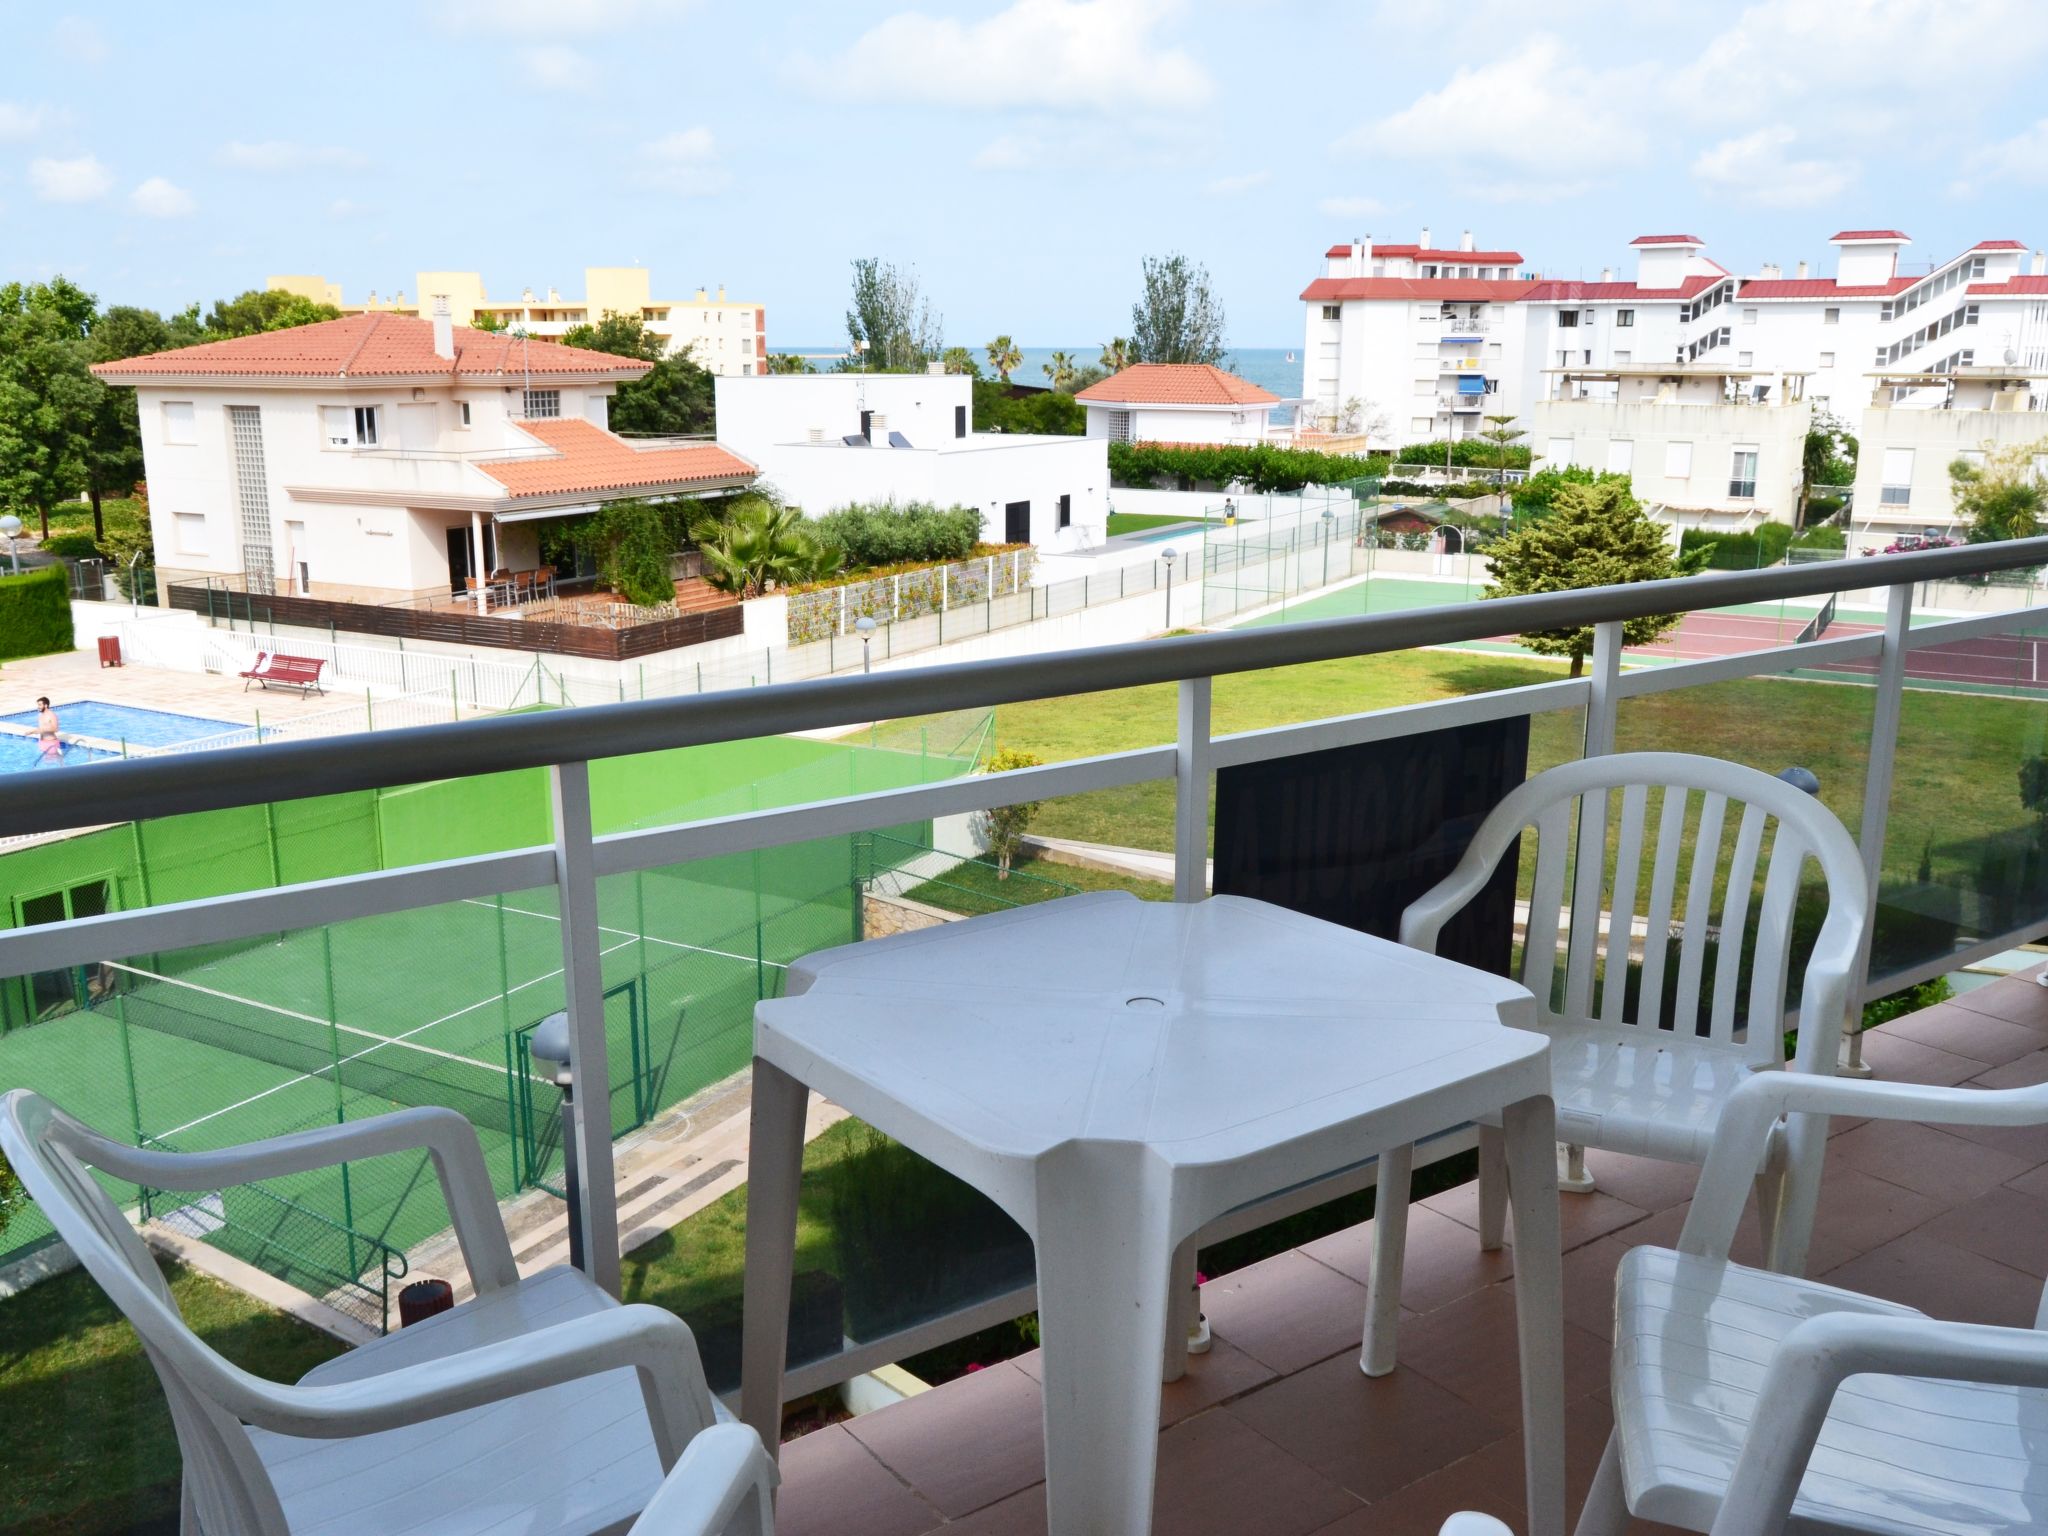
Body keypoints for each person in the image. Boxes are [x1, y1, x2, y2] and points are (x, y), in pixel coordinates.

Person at [34, 696, 61, 764]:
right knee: (44, 763)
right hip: (42, 742)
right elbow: (41, 729)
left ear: (45, 705)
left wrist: (43, 729)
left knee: (53, 764)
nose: (38, 706)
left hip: (51, 743)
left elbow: (56, 729)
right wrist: (33, 731)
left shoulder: (51, 715)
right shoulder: (41, 716)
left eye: (40, 705)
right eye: (38, 705)